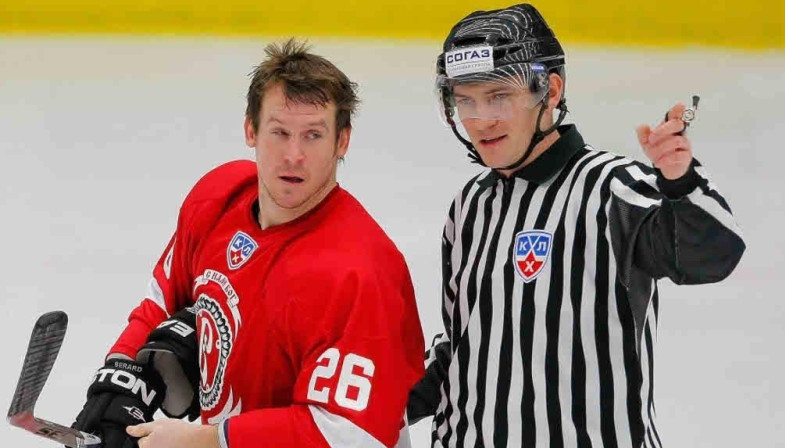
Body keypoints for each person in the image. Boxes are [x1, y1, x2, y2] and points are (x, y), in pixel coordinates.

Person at [406, 4, 745, 448]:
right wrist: (372, 401)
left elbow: (712, 257)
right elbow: (467, 344)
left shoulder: (613, 189)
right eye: (464, 99)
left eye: (498, 97)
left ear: (549, 91)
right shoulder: (470, 205)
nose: (479, 120)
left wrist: (679, 184)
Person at [69, 39, 425, 448]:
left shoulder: (360, 271)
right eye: (280, 132)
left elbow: (352, 435)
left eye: (313, 135)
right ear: (250, 130)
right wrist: (120, 377)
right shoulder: (220, 197)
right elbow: (162, 299)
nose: (294, 155)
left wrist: (205, 441)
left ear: (342, 142)